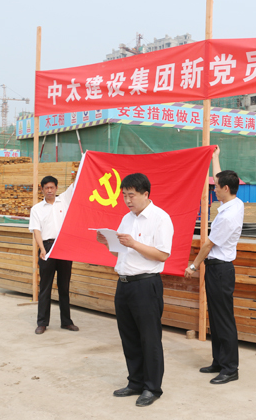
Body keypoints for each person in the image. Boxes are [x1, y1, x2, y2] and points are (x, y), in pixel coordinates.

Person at [96, 173, 174, 408]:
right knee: (129, 336)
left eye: (132, 195)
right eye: (124, 196)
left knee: (149, 338)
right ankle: (135, 381)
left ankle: (152, 387)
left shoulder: (161, 218)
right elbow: (120, 251)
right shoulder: (126, 218)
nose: (127, 200)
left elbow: (162, 254)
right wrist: (107, 242)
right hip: (124, 283)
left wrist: (134, 243)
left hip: (146, 285)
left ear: (145, 194)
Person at [185, 147, 243, 385]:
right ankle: (219, 361)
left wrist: (193, 266)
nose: (214, 189)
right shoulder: (234, 203)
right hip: (218, 269)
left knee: (224, 320)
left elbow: (208, 245)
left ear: (225, 188)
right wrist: (215, 158)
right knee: (216, 318)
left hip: (220, 270)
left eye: (216, 187)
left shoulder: (227, 216)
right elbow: (220, 178)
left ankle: (230, 368)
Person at [28, 175, 79, 335]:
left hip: (64, 247)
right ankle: (42, 323)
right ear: (42, 189)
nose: (49, 190)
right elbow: (36, 231)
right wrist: (42, 248)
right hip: (47, 247)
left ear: (56, 188)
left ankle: (66, 321)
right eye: (46, 188)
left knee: (64, 286)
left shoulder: (64, 200)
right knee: (45, 286)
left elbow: (77, 182)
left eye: (52, 187)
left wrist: (85, 164)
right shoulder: (37, 209)